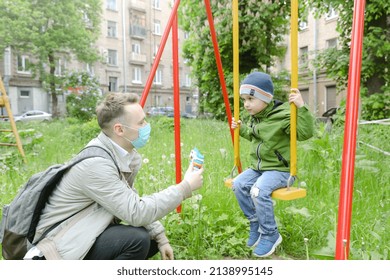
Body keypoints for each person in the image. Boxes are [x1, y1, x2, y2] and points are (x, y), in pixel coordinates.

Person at [27, 92, 204, 260]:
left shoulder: (117, 154)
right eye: (141, 123)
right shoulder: (97, 165)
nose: (147, 127)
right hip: (54, 250)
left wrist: (160, 237)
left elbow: (130, 201)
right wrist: (185, 187)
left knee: (149, 240)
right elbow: (136, 213)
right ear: (119, 129)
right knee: (136, 239)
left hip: (79, 235)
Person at [231, 71, 315, 258]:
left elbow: (305, 133)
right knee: (238, 184)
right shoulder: (258, 116)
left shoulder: (284, 115)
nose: (246, 104)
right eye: (244, 99)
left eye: (251, 99)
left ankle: (270, 234)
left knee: (257, 191)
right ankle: (255, 223)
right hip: (259, 168)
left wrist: (301, 108)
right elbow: (256, 136)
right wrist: (242, 129)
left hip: (280, 170)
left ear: (266, 98)